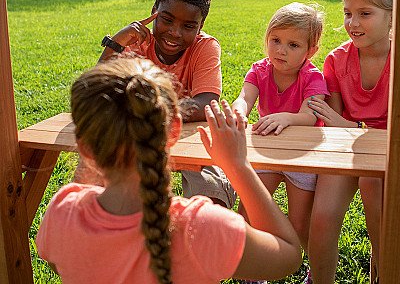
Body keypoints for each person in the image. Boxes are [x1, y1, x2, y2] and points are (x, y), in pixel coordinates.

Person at [36, 57, 302, 284]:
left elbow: (57, 264)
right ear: (174, 130)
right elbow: (288, 256)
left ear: (85, 149)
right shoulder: (204, 226)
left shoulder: (62, 212)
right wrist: (238, 166)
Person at [78, 0, 236, 208]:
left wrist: (153, 112)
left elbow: (206, 102)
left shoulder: (205, 47)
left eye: (188, 26)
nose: (175, 32)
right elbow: (94, 92)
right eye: (167, 20)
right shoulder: (134, 40)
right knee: (95, 184)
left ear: (200, 26)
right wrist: (116, 42)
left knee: (210, 192)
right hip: (138, 135)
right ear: (154, 11)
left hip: (187, 136)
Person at [307, 0, 394, 284]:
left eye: (365, 13)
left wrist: (349, 126)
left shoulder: (397, 58)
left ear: (392, 15)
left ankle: (383, 272)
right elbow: (334, 124)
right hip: (345, 148)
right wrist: (349, 127)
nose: (352, 23)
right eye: (347, 13)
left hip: (387, 152)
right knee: (323, 218)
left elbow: (349, 123)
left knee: (377, 199)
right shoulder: (336, 60)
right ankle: (320, 279)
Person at [232, 2, 329, 277]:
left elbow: (310, 116)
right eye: (275, 40)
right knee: (248, 214)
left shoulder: (312, 76)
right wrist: (239, 112)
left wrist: (287, 117)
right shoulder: (259, 70)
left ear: (311, 51)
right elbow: (245, 98)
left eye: (293, 45)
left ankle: (314, 269)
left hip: (303, 156)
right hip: (267, 152)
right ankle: (253, 272)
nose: (280, 50)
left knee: (299, 226)